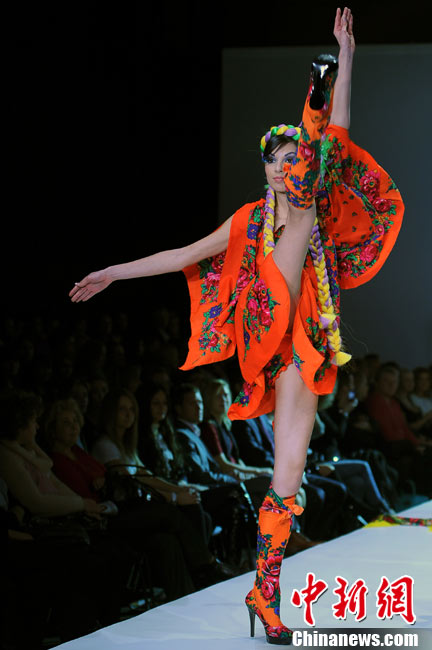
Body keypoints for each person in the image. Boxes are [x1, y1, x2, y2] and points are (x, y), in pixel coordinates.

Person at [70, 8, 405, 644]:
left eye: (289, 159)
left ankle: (264, 591)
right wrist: (114, 271)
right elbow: (180, 255)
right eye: (275, 160)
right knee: (308, 193)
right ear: (266, 168)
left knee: (288, 474)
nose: (281, 167)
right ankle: (314, 91)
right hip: (261, 326)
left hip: (302, 344)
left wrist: (349, 55)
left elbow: (338, 137)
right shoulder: (251, 218)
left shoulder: (306, 200)